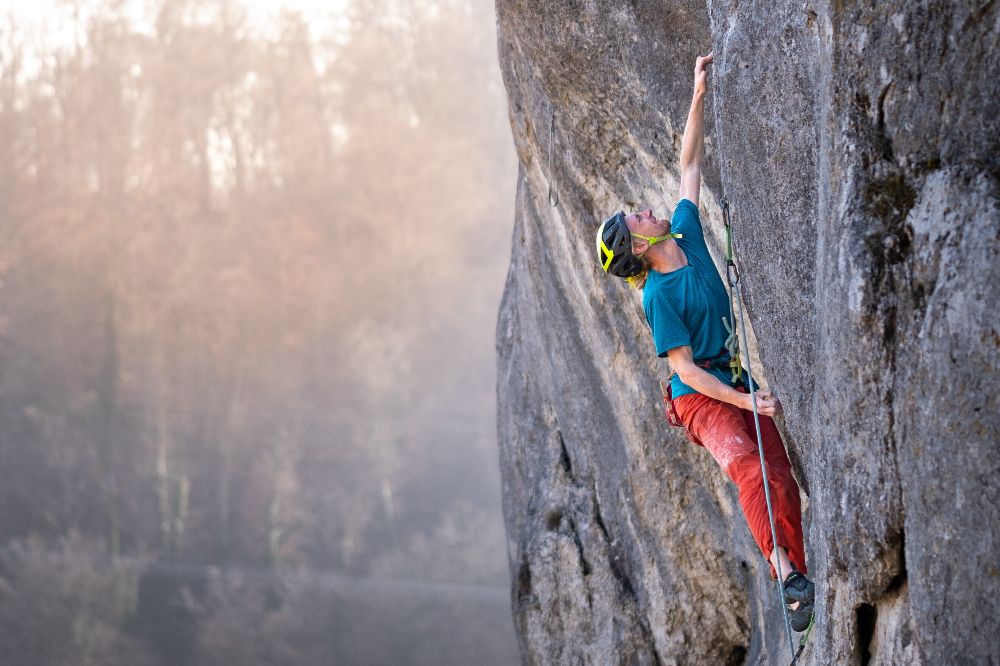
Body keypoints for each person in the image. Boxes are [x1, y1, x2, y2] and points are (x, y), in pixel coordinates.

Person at [594, 53, 815, 631]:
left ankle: (799, 574)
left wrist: (697, 95)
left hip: (732, 378)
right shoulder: (658, 297)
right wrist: (745, 402)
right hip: (700, 397)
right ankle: (785, 572)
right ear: (638, 247)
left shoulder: (686, 228)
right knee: (746, 463)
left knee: (779, 473)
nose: (645, 210)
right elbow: (686, 371)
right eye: (636, 219)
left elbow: (688, 162)